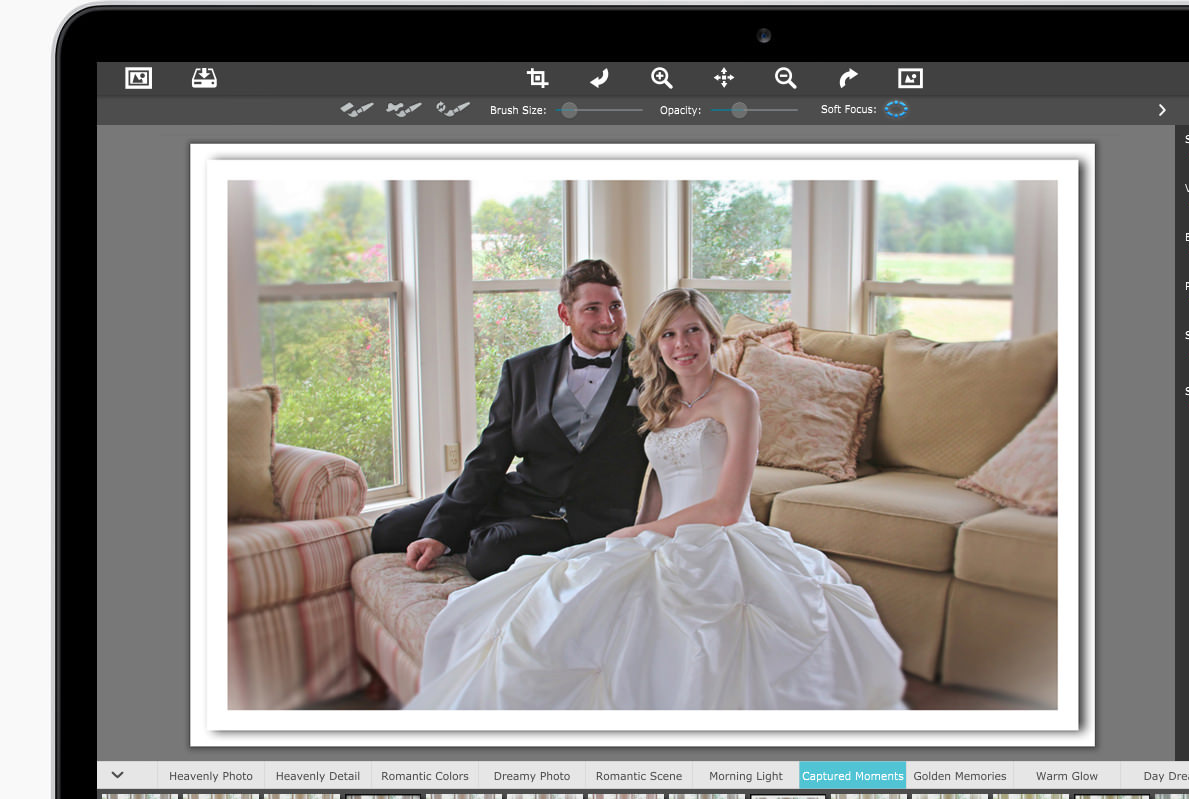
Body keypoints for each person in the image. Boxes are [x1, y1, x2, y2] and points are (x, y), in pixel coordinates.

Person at [409, 288, 905, 712]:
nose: (681, 345)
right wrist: (632, 535)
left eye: (692, 331)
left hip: (721, 537)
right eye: (668, 335)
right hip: (660, 533)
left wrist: (640, 531)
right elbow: (661, 479)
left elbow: (726, 508)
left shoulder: (738, 398)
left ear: (712, 335)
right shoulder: (660, 399)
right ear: (656, 345)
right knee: (555, 600)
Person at [371, 260, 649, 581]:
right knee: (388, 531)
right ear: (565, 314)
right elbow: (489, 458)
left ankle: (489, 533)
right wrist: (441, 531)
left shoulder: (650, 370)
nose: (608, 320)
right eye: (592, 309)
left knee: (487, 554)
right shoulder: (524, 370)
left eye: (615, 306)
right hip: (521, 497)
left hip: (588, 517)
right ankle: (477, 527)